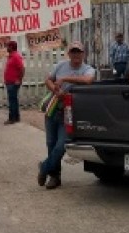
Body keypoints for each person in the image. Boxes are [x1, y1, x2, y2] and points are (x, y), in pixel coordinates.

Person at [37, 41, 96, 189]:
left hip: (69, 114)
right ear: (69, 54)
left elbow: (88, 80)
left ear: (83, 54)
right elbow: (48, 80)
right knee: (50, 144)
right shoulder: (60, 66)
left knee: (60, 146)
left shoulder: (88, 69)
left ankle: (44, 167)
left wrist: (65, 79)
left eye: (79, 52)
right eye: (73, 52)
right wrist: (55, 90)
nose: (76, 55)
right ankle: (54, 177)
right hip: (53, 110)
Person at [3, 40, 25, 125]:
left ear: (11, 47)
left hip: (13, 83)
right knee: (14, 100)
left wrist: (19, 79)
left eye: (8, 46)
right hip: (10, 82)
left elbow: (22, 69)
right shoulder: (11, 56)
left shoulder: (16, 56)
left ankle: (11, 118)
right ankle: (16, 117)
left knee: (12, 101)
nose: (6, 48)